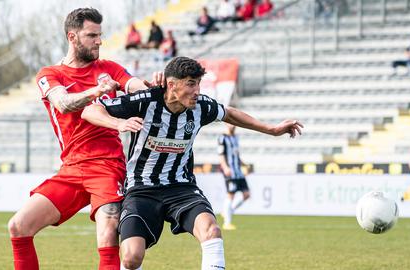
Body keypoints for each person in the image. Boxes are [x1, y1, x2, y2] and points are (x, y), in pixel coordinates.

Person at [81, 56, 304, 270]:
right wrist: (117, 123)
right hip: (141, 189)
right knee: (131, 257)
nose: (197, 91)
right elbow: (90, 110)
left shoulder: (200, 107)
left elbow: (230, 114)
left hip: (181, 188)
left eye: (198, 84)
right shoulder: (146, 101)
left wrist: (271, 129)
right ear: (172, 85)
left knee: (211, 230)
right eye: (190, 84)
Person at [7, 8, 161, 270]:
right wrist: (96, 90)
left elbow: (133, 84)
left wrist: (151, 85)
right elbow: (63, 103)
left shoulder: (109, 68)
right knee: (18, 226)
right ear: (72, 37)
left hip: (107, 166)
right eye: (92, 35)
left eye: (100, 35)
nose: (99, 41)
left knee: (107, 236)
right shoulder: (50, 74)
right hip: (71, 168)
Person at [218, 123, 250, 230]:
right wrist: (225, 167)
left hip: (238, 172)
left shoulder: (236, 138)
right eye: (230, 124)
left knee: (246, 194)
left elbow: (236, 155)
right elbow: (221, 155)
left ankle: (227, 211)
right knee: (230, 195)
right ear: (226, 124)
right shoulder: (222, 138)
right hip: (230, 171)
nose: (233, 126)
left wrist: (244, 164)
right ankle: (227, 223)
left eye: (234, 124)